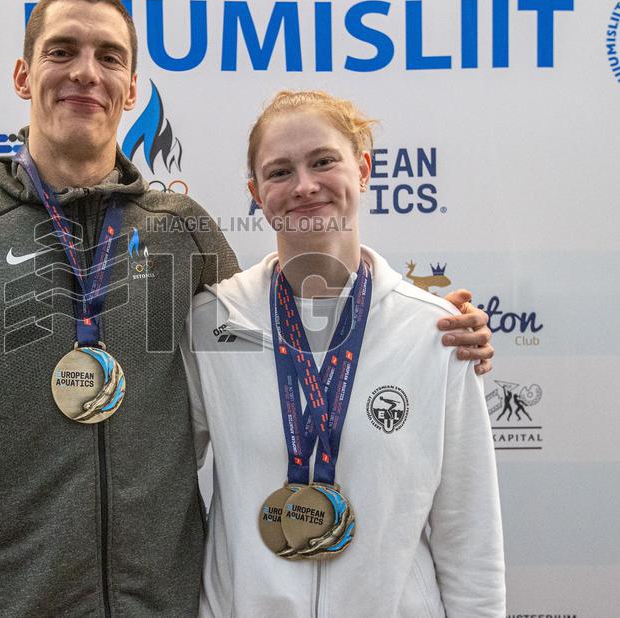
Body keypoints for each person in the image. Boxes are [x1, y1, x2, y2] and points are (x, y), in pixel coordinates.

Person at [0, 0, 494, 616]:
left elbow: (282, 337)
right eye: (62, 51)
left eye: (108, 57)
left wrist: (436, 326)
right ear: (24, 76)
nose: (86, 72)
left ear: (131, 89)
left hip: (162, 607)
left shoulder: (183, 232)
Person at [182, 91, 504, 616]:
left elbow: (469, 535)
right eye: (280, 171)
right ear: (256, 193)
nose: (304, 186)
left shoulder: (437, 332)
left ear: (363, 169)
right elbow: (158, 473)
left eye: (324, 161)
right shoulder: (213, 321)